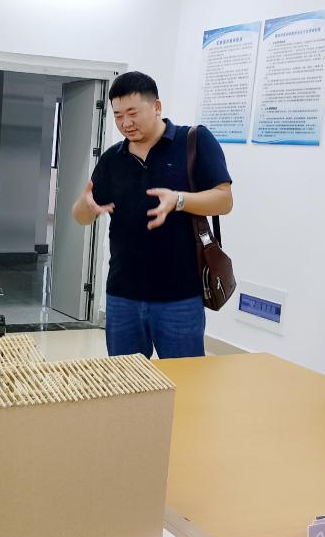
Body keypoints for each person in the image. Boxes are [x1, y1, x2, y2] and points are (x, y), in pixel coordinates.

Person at [72, 71, 232, 358]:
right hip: (123, 296)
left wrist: (179, 200)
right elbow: (82, 217)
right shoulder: (112, 159)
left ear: (157, 107)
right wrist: (86, 208)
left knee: (184, 380)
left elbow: (224, 200)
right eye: (118, 115)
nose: (125, 123)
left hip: (180, 297)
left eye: (133, 113)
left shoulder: (193, 141)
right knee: (127, 381)